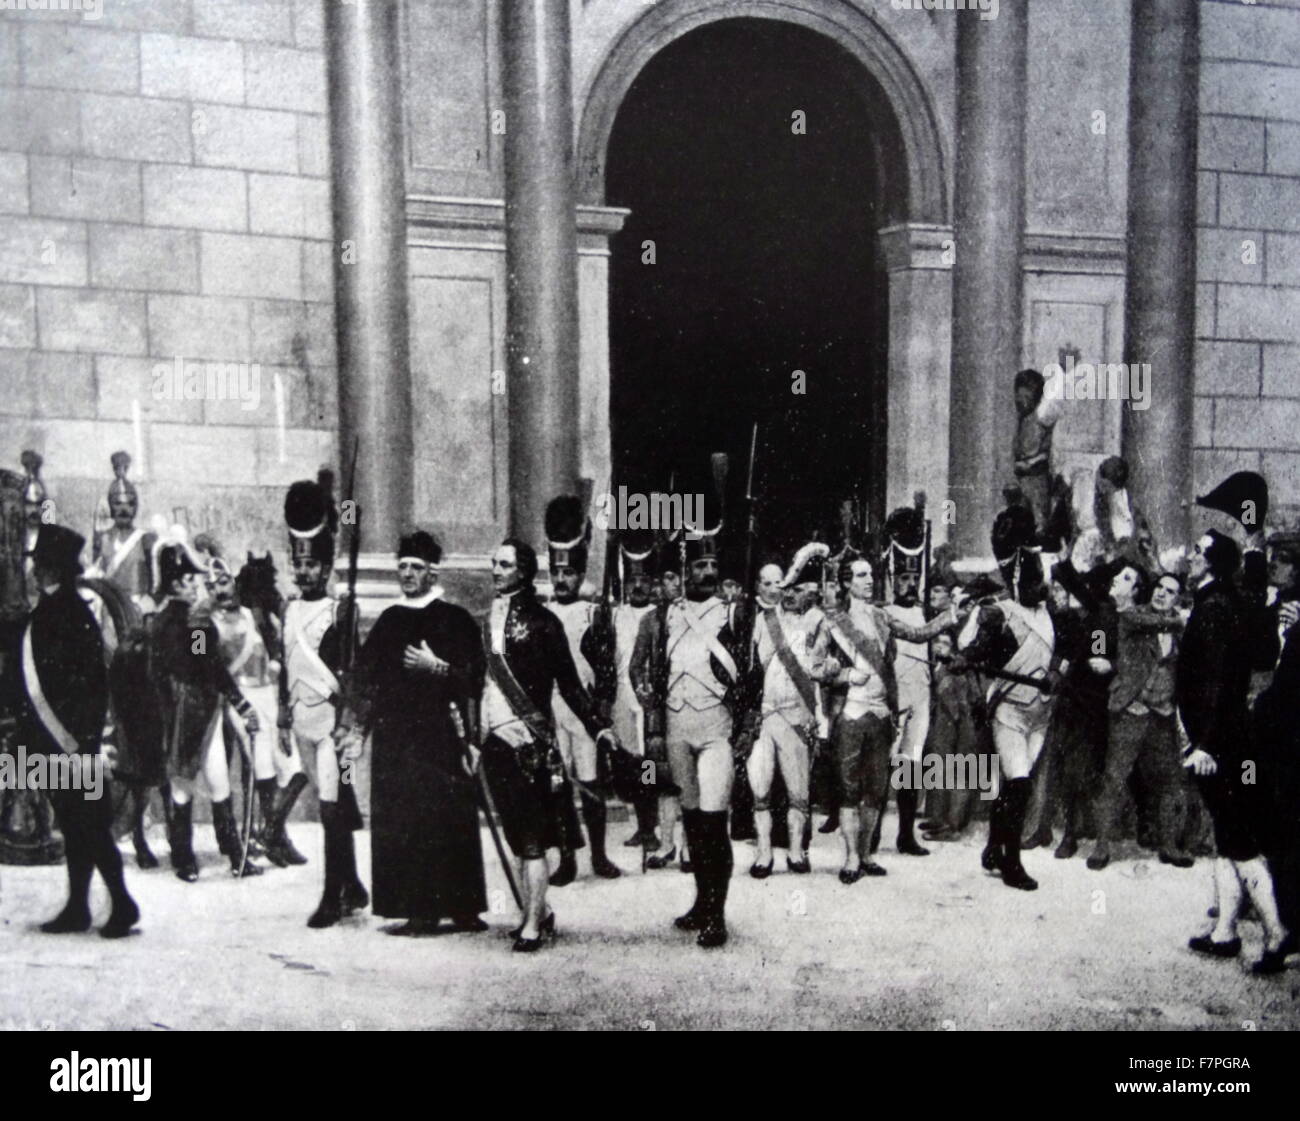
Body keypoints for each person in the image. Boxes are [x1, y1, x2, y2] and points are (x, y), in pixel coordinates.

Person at [339, 530, 485, 936]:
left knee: (451, 818)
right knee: (406, 819)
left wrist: (435, 667)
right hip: (397, 739)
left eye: (415, 567)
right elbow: (367, 681)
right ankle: (417, 907)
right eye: (402, 566)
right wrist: (357, 730)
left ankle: (463, 906)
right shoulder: (389, 621)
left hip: (440, 734)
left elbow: (473, 678)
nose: (406, 574)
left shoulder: (454, 619)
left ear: (432, 571)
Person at [477, 538, 619, 952]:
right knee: (517, 839)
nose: (495, 570)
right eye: (493, 563)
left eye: (503, 564)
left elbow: (571, 686)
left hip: (530, 744)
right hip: (495, 744)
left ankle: (532, 925)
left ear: (522, 570)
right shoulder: (485, 619)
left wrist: (598, 727)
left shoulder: (544, 623)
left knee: (534, 839)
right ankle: (538, 911)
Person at [1180, 529, 1292, 974]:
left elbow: (1219, 682)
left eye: (1196, 553)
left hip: (1219, 743)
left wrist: (1204, 743)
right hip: (1227, 739)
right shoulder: (1227, 601)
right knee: (1227, 838)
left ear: (1210, 564)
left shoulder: (1214, 608)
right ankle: (1225, 933)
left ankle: (1275, 933)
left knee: (1238, 841)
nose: (1189, 558)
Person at [630, 523, 747, 947]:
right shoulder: (666, 616)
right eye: (700, 565)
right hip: (678, 730)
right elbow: (647, 673)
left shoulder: (734, 612)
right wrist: (652, 716)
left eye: (714, 564)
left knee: (715, 823)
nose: (708, 572)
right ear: (685, 569)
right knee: (694, 822)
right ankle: (701, 901)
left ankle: (716, 915)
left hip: (717, 729)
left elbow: (750, 670)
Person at [20, 525, 139, 938]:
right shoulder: (51, 610)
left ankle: (122, 904)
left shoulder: (71, 613)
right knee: (74, 824)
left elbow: (92, 684)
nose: (32, 569)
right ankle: (78, 907)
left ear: (52, 567)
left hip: (74, 744)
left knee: (89, 826)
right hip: (59, 743)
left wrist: (83, 741)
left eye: (38, 562)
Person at [822, 552, 961, 884]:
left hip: (883, 712)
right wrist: (841, 674)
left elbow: (917, 634)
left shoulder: (882, 617)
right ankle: (851, 857)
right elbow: (816, 667)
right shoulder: (833, 621)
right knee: (849, 789)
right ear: (846, 582)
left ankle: (867, 853)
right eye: (860, 575)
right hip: (851, 712)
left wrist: (951, 614)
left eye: (871, 574)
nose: (869, 580)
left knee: (876, 789)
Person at [953, 506, 1061, 891]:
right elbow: (979, 650)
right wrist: (963, 659)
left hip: (1041, 715)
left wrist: (1056, 671)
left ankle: (994, 847)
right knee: (1017, 784)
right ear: (1016, 579)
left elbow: (1066, 647)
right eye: (1032, 578)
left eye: (1041, 576)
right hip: (1010, 713)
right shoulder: (1000, 614)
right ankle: (1012, 863)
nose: (1039, 584)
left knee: (1014, 783)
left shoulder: (1051, 612)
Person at [277, 480, 367, 925]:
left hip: (332, 725)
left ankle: (333, 895)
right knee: (329, 805)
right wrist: (280, 717)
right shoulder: (289, 611)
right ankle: (352, 883)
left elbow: (352, 671)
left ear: (328, 566)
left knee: (332, 807)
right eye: (298, 563)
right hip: (301, 723)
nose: (304, 572)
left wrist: (350, 722)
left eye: (312, 564)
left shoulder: (339, 611)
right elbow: (284, 665)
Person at [150, 541, 262, 882]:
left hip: (206, 709)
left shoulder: (194, 618)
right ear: (176, 585)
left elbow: (207, 665)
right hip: (185, 713)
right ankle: (183, 857)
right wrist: (198, 626)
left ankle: (233, 853)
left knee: (218, 782)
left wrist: (239, 703)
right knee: (183, 785)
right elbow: (200, 664)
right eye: (189, 579)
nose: (197, 584)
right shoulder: (173, 621)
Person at [1085, 564, 1193, 870]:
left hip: (1162, 712)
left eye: (1170, 591)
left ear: (1178, 598)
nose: (1162, 593)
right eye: (1160, 587)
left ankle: (1169, 845)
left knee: (1171, 782)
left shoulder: (1175, 627)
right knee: (1114, 778)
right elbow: (1147, 621)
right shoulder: (1133, 616)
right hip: (1129, 710)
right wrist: (1181, 620)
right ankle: (1102, 846)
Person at [742, 543, 834, 876]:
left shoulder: (817, 622)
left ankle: (796, 853)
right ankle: (763, 855)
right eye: (787, 588)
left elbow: (821, 665)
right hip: (765, 716)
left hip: (797, 714)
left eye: (799, 588)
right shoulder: (763, 620)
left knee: (798, 793)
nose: (790, 594)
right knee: (760, 789)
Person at [543, 495, 620, 883]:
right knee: (558, 785)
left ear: (579, 573)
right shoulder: (540, 613)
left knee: (591, 784)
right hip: (550, 709)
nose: (561, 580)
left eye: (569, 574)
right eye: (556, 574)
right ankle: (567, 859)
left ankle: (600, 855)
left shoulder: (594, 612)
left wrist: (603, 708)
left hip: (584, 710)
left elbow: (607, 667)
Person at [880, 505, 934, 857]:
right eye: (903, 579)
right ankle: (870, 834)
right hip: (892, 696)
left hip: (922, 697)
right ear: (892, 578)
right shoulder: (883, 613)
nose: (910, 584)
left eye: (914, 578)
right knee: (884, 764)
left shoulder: (925, 611)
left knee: (911, 766)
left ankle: (905, 834)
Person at [606, 527, 661, 850]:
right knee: (628, 765)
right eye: (633, 581)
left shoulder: (660, 617)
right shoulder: (614, 616)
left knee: (650, 766)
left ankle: (650, 827)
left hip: (650, 700)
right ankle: (641, 824)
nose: (638, 586)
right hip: (622, 700)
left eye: (644, 581)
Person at [90, 452, 156, 605]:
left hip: (138, 609)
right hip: (110, 610)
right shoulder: (102, 538)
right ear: (111, 506)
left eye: (130, 504)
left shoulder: (145, 539)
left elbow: (156, 581)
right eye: (118, 504)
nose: (124, 509)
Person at [1012, 368, 1063, 537]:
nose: (1021, 402)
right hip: (1023, 480)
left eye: (1026, 398)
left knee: (1038, 525)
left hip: (1037, 480)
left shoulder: (1041, 419)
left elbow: (1046, 453)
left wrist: (1030, 463)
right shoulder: (1022, 419)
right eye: (1018, 397)